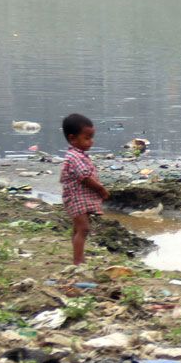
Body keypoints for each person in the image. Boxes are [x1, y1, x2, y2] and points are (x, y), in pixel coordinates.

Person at [60, 113, 110, 265]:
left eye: (91, 137)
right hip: (76, 198)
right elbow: (85, 177)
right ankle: (78, 261)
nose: (91, 142)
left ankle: (78, 257)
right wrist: (100, 189)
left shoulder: (77, 155)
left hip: (77, 197)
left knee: (78, 229)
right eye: (87, 138)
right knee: (84, 229)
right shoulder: (74, 157)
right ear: (73, 138)